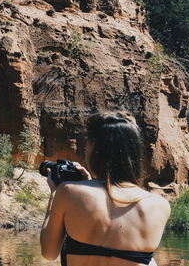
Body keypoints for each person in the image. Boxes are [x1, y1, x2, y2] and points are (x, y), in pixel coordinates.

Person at [40, 112, 170, 266]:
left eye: (87, 145)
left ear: (95, 149)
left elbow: (48, 253)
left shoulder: (68, 192)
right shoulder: (159, 205)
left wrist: (55, 195)